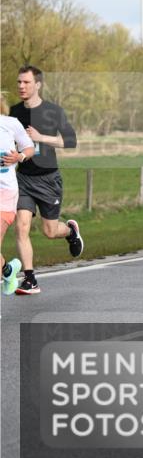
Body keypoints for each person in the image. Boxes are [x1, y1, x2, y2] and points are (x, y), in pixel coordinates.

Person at [10, 66, 83, 295]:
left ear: (38, 85)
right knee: (21, 226)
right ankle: (30, 280)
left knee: (50, 231)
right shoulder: (14, 112)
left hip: (48, 179)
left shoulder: (53, 111)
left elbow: (70, 141)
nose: (21, 86)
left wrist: (41, 138)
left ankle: (70, 231)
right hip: (23, 178)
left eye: (26, 83)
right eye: (19, 82)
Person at [1, 93, 35, 295]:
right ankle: (8, 269)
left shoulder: (11, 123)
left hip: (4, 193)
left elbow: (30, 147)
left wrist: (19, 156)